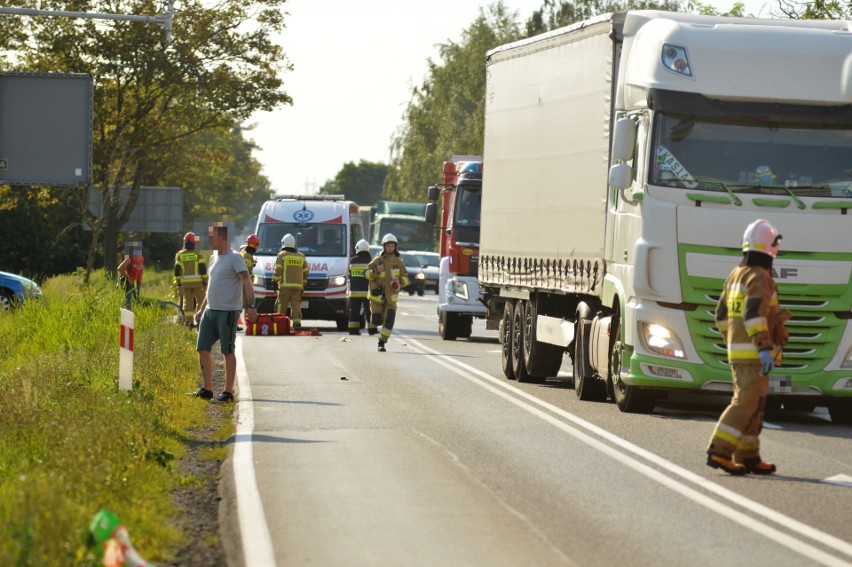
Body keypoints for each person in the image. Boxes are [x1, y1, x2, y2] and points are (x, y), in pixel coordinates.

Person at [706, 219, 789, 475]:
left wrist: (732, 340)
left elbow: (720, 315)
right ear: (771, 247)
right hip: (755, 353)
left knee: (755, 404)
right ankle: (719, 452)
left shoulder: (736, 274)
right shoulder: (760, 276)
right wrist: (763, 347)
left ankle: (748, 455)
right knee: (746, 402)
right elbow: (755, 315)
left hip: (741, 352)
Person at [189, 223, 258, 403]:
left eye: (213, 237)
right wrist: (201, 308)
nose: (210, 241)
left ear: (223, 238)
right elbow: (211, 286)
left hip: (227, 311)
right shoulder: (213, 257)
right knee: (202, 348)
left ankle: (227, 392)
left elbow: (247, 283)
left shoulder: (235, 258)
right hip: (210, 310)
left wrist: (252, 305)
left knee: (227, 351)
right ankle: (207, 389)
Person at [365, 233, 408, 352]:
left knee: (389, 321)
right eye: (388, 246)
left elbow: (406, 279)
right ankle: (374, 327)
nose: (390, 248)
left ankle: (382, 342)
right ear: (384, 246)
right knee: (377, 320)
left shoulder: (399, 262)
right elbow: (366, 273)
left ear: (395, 247)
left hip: (391, 299)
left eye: (392, 246)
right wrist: (376, 271)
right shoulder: (377, 259)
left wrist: (399, 280)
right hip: (377, 297)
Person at [274, 233, 309, 330]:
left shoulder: (282, 255)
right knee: (296, 305)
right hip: (298, 287)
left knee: (281, 305)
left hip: (285, 286)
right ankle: (297, 324)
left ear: (283, 243)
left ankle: (279, 323)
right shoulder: (301, 256)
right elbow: (306, 272)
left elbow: (278, 269)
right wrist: (304, 283)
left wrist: (274, 281)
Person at [174, 232, 208, 326]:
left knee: (187, 304)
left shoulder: (180, 256)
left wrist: (179, 284)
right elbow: (203, 271)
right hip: (198, 284)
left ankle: (188, 322)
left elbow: (177, 272)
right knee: (201, 302)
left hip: (186, 285)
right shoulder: (198, 255)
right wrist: (205, 282)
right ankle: (201, 322)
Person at [347, 239, 377, 336]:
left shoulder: (352, 261)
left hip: (354, 292)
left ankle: (353, 330)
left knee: (354, 312)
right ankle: (372, 330)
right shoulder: (371, 262)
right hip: (367, 293)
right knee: (370, 312)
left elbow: (348, 274)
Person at [117, 241, 144, 310]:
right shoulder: (129, 258)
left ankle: (134, 318)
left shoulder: (140, 258)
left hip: (137, 283)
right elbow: (120, 268)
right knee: (128, 304)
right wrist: (128, 278)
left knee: (136, 303)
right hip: (130, 284)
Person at [240, 234, 260, 323]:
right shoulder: (248, 256)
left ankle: (245, 323)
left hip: (239, 283)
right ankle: (249, 323)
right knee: (247, 304)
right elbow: (247, 273)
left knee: (239, 304)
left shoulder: (243, 252)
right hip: (244, 284)